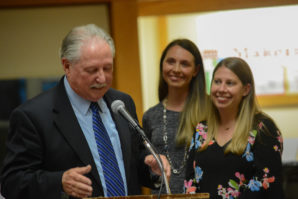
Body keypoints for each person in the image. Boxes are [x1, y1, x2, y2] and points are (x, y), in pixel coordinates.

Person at [0, 24, 170, 199]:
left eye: (107, 68)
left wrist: (152, 169)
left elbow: (134, 161)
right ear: (67, 66)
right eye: (92, 70)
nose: (102, 78)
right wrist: (59, 182)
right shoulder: (33, 116)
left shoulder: (122, 103)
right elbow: (11, 182)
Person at [184, 57, 284, 198]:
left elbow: (266, 183)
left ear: (246, 89)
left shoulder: (263, 128)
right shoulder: (201, 130)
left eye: (230, 83)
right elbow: (189, 182)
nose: (221, 89)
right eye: (217, 82)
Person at [142, 39, 208, 194]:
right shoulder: (150, 116)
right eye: (171, 62)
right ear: (162, 65)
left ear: (196, 70)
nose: (176, 69)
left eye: (185, 64)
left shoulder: (212, 110)